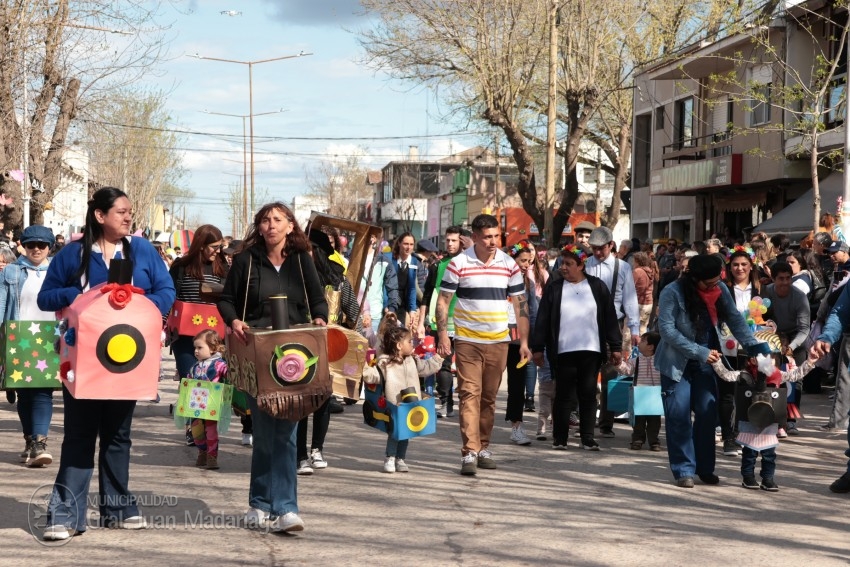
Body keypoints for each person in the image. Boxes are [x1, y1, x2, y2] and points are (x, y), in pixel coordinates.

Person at [38, 187, 176, 540]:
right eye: (121, 212)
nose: (128, 218)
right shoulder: (73, 254)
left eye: (130, 212)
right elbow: (46, 296)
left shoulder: (142, 250)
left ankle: (118, 508)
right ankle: (64, 514)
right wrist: (78, 297)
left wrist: (142, 308)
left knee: (118, 436)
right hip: (84, 361)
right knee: (79, 436)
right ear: (100, 216)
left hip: (128, 360)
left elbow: (166, 291)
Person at [217, 202, 328, 533]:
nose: (271, 225)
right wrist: (235, 321)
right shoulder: (246, 261)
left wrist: (320, 318)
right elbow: (226, 300)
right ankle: (259, 503)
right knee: (265, 431)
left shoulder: (301, 260)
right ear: (259, 227)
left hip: (296, 354)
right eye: (265, 220)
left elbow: (318, 300)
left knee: (288, 431)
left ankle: (286, 509)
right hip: (257, 353)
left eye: (278, 220)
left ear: (290, 226)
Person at [654, 254, 763, 488]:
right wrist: (699, 352)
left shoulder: (720, 288)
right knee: (678, 416)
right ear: (694, 278)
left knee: (707, 413)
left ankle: (705, 469)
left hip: (707, 362)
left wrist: (754, 345)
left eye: (717, 281)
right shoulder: (671, 292)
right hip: (677, 363)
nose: (715, 286)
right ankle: (683, 469)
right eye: (709, 283)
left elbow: (735, 320)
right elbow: (667, 332)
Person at [436, 214, 530, 475]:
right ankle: (469, 452)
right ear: (475, 237)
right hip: (467, 340)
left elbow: (521, 304)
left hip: (499, 341)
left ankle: (484, 447)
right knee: (469, 394)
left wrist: (523, 341)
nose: (493, 242)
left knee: (489, 398)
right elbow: (443, 301)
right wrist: (444, 335)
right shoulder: (458, 263)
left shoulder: (509, 264)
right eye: (487, 237)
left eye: (496, 236)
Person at [531, 244, 621, 451]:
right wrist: (538, 348)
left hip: (591, 351)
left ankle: (587, 438)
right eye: (563, 263)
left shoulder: (597, 287)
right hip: (563, 351)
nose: (564, 267)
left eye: (569, 264)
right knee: (563, 394)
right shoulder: (555, 288)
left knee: (588, 394)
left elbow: (609, 318)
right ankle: (560, 438)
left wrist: (615, 346)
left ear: (581, 265)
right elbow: (543, 319)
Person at [295, 229, 361, 476]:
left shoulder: (339, 280)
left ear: (319, 251)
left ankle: (317, 449)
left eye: (309, 248)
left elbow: (352, 312)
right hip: (299, 346)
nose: (304, 253)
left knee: (323, 400)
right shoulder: (295, 276)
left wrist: (353, 338)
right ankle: (299, 455)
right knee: (301, 402)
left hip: (330, 346)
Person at [711, 350, 817, 491]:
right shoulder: (744, 375)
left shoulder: (778, 375)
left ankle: (768, 478)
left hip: (769, 422)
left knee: (769, 455)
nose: (767, 360)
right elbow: (726, 375)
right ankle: (748, 477)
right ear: (751, 359)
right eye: (761, 356)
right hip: (749, 422)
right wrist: (716, 361)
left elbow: (795, 375)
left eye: (771, 357)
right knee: (749, 453)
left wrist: (809, 361)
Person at [169, 224, 229, 444]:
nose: (217, 251)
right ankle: (194, 430)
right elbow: (170, 296)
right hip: (185, 337)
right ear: (201, 246)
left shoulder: (223, 267)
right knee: (191, 379)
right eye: (213, 247)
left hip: (213, 338)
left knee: (209, 381)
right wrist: (165, 326)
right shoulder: (181, 266)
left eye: (220, 247)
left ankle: (204, 430)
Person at [2, 225, 56, 467]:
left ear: (49, 247)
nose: (36, 249)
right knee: (25, 394)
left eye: (41, 245)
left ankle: (40, 443)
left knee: (44, 392)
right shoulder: (10, 272)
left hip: (51, 337)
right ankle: (29, 440)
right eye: (31, 244)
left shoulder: (58, 271)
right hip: (19, 336)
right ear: (23, 245)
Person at [362, 324, 443, 473]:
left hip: (411, 405)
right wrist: (365, 364)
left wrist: (438, 358)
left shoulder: (412, 360)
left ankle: (400, 459)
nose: (412, 343)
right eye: (409, 341)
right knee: (395, 432)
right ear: (399, 346)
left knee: (406, 433)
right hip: (394, 405)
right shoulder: (385, 363)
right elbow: (373, 375)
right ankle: (390, 457)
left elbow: (426, 368)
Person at [584, 226, 640, 438]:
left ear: (611, 245)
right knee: (587, 374)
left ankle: (606, 423)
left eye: (601, 248)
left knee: (609, 373)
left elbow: (630, 299)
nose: (597, 253)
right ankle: (586, 420)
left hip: (612, 325)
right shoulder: (585, 265)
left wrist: (635, 329)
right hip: (586, 323)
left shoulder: (623, 267)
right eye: (594, 248)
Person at [720, 245, 761, 457]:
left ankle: (743, 434)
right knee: (727, 393)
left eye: (744, 264)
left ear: (751, 265)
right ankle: (728, 437)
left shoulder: (761, 289)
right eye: (735, 264)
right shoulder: (723, 289)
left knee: (748, 392)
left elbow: (767, 317)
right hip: (727, 347)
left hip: (752, 348)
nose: (740, 268)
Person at [420, 226, 464, 418]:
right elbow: (428, 295)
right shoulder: (438, 265)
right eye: (448, 240)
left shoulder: (469, 263)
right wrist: (421, 322)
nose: (450, 244)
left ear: (462, 242)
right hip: (442, 323)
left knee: (465, 365)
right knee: (443, 363)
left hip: (466, 322)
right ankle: (446, 402)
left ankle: (468, 402)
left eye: (454, 240)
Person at [762, 262, 810, 436]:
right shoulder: (766, 292)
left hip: (795, 338)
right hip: (772, 336)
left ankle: (790, 420)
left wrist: (791, 346)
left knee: (796, 379)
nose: (785, 282)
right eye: (780, 278)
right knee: (770, 376)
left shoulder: (799, 296)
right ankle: (770, 416)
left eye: (788, 278)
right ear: (773, 279)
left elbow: (805, 328)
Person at [504, 240, 536, 445]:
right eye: (522, 260)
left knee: (517, 385)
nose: (525, 264)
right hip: (496, 337)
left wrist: (530, 339)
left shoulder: (529, 283)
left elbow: (531, 311)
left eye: (528, 261)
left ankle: (517, 427)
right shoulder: (499, 280)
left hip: (518, 339)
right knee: (489, 384)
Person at [188, 329, 228, 470]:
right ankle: (202, 451)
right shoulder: (195, 367)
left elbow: (228, 373)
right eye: (195, 348)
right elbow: (189, 380)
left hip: (211, 404)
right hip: (196, 405)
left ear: (212, 348)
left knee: (211, 431)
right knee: (196, 431)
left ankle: (212, 456)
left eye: (200, 347)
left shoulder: (219, 364)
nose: (196, 351)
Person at [617, 331, 663, 451]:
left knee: (654, 421)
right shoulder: (636, 360)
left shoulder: (660, 361)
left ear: (651, 346)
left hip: (655, 396)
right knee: (638, 421)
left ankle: (654, 441)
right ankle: (637, 439)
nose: (639, 343)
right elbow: (627, 370)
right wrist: (618, 364)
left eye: (643, 341)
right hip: (639, 395)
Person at [362, 236, 399, 334]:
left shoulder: (384, 261)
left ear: (374, 238)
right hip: (353, 315)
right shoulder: (351, 258)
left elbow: (393, 288)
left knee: (371, 348)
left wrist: (391, 309)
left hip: (375, 315)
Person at [391, 232, 420, 328]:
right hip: (389, 304)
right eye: (406, 244)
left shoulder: (414, 261)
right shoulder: (390, 259)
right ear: (399, 243)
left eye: (411, 244)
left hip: (402, 305)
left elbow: (412, 287)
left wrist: (412, 309)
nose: (408, 247)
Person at [632, 252, 655, 335]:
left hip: (638, 302)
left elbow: (630, 287)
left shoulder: (637, 271)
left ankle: (628, 348)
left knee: (629, 328)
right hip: (648, 303)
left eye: (634, 261)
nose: (632, 263)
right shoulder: (650, 271)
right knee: (643, 328)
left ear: (638, 261)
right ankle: (642, 347)